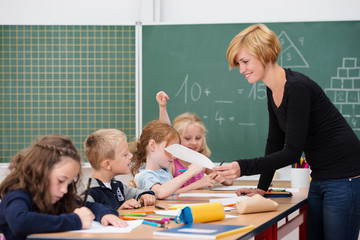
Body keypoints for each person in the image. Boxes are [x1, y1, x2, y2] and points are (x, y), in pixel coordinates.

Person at [212, 24, 360, 240]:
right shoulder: (272, 89)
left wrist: (241, 167)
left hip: (345, 178)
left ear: (267, 54)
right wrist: (262, 189)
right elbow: (274, 142)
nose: (241, 69)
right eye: (238, 64)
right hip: (320, 178)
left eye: (245, 61)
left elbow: (292, 152)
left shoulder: (297, 87)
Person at [0, 134, 127, 240]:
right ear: (40, 172)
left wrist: (105, 214)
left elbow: (88, 206)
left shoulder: (57, 197)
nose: (64, 190)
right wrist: (75, 220)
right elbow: (21, 222)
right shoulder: (17, 195)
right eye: (61, 181)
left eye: (69, 183)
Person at [156, 91, 233, 188]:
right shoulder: (172, 164)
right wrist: (162, 107)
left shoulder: (201, 161)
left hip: (198, 202)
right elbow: (166, 132)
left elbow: (230, 182)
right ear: (176, 139)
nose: (193, 142)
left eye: (198, 138)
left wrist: (223, 177)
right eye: (187, 138)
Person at [83, 129, 156, 211]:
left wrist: (144, 195)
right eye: (125, 154)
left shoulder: (116, 185)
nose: (131, 155)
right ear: (107, 164)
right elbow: (85, 217)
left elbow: (137, 192)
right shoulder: (88, 192)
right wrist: (118, 211)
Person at [131, 120, 205, 199]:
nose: (174, 156)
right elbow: (160, 193)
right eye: (171, 150)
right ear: (152, 145)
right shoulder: (145, 176)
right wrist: (191, 172)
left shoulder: (165, 171)